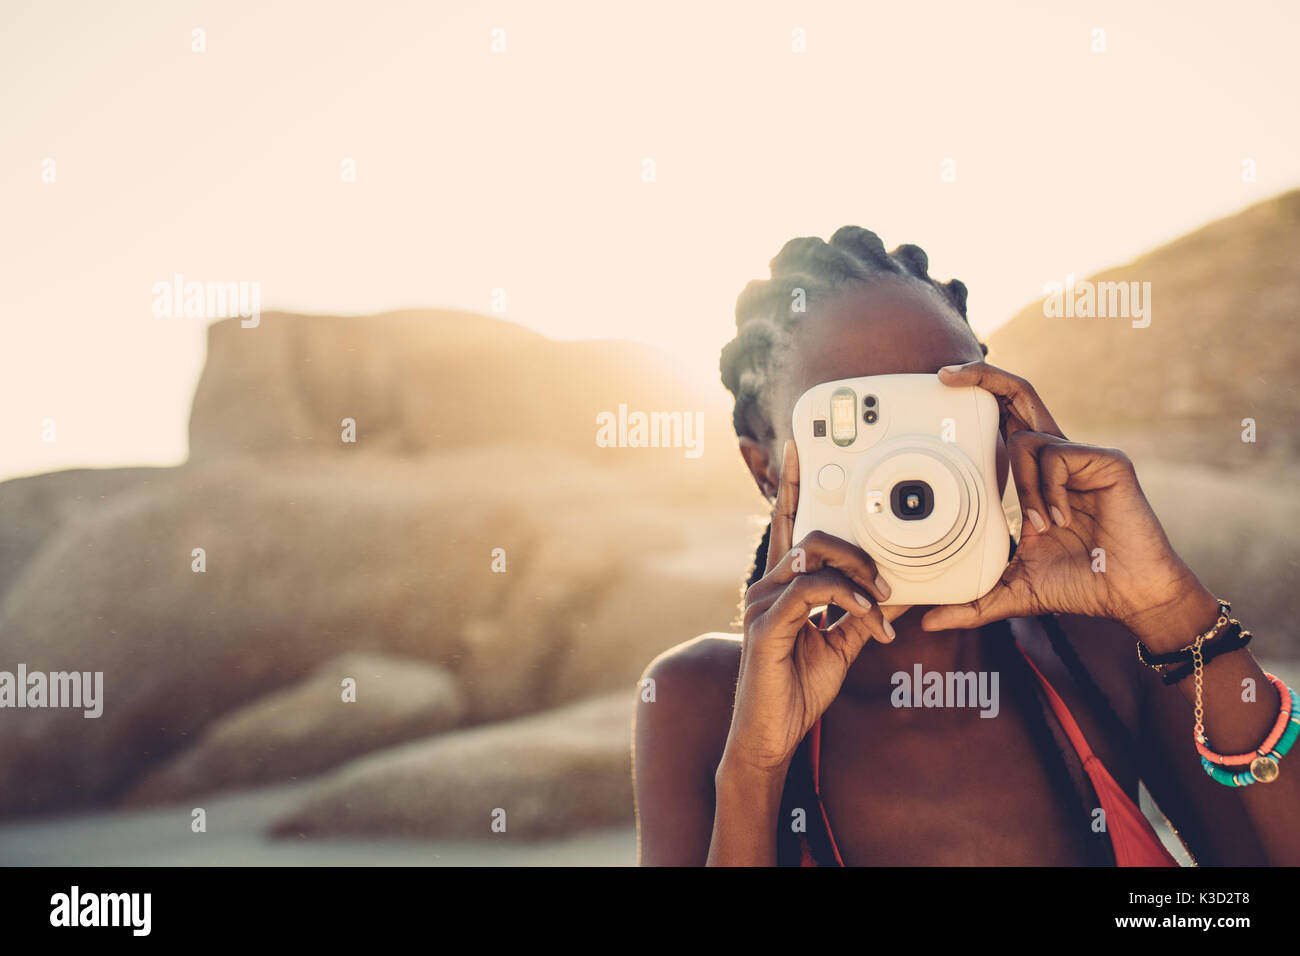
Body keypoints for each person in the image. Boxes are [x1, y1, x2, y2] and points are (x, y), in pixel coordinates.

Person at [633, 227, 1300, 866]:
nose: (912, 463)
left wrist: (1173, 611)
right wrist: (756, 768)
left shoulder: (1099, 651)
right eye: (860, 424)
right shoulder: (706, 701)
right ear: (765, 469)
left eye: (941, 416)